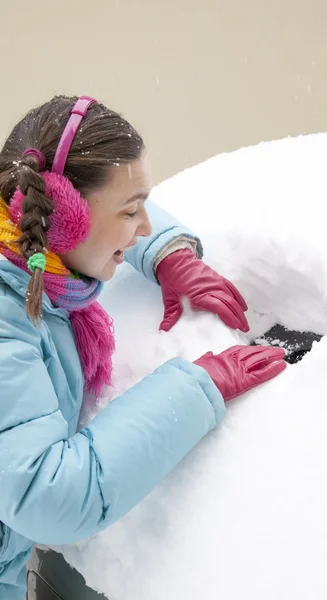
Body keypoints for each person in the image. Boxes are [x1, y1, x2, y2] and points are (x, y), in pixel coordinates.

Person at [0, 95, 286, 600]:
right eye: (132, 213)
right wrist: (197, 386)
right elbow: (48, 494)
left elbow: (107, 195)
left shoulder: (28, 246)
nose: (145, 226)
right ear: (65, 218)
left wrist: (167, 251)